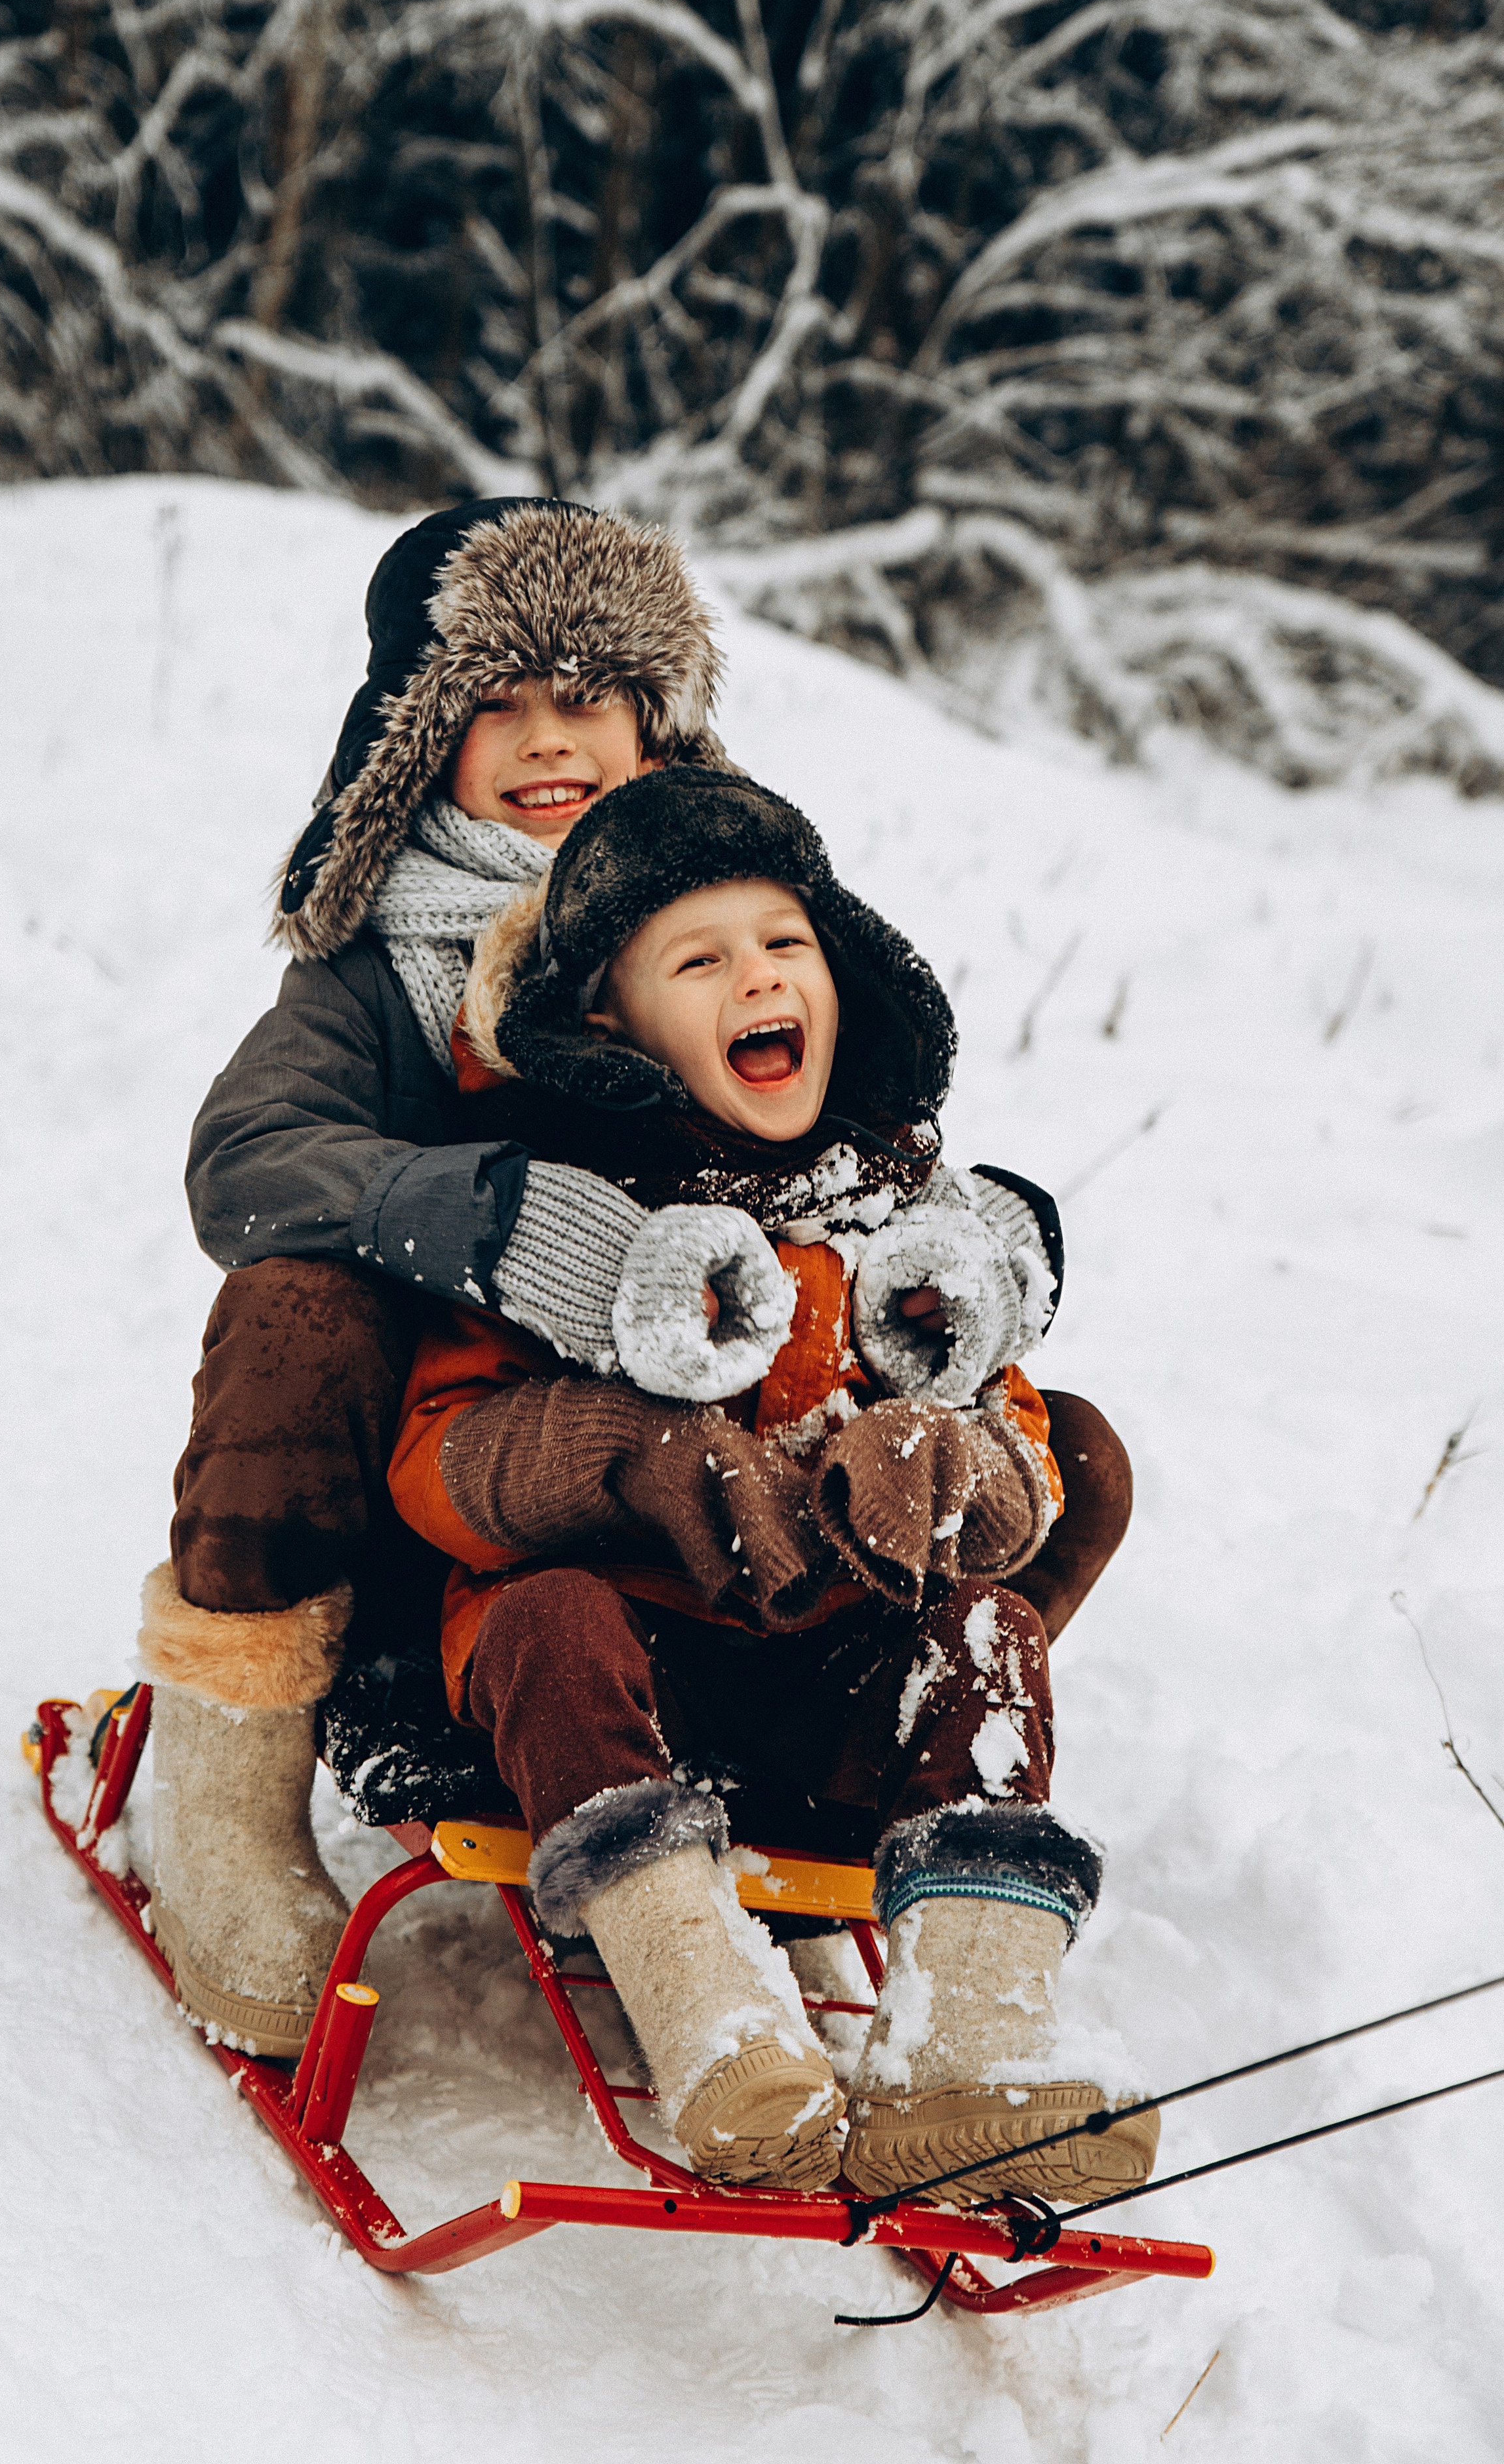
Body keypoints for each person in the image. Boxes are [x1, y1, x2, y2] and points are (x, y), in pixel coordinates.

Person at [132, 496, 1129, 2073]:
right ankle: (227, 1800)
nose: (550, 739)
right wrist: (500, 1220)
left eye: (588, 694)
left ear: (653, 716)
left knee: (1065, 1451)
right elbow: (249, 1156)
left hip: (742, 1481)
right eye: (496, 703)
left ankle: (848, 1736)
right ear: (416, 738)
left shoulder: (720, 900)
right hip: (465, 1471)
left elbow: (848, 1117)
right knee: (295, 1309)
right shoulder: (383, 966)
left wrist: (965, 1246)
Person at [386, 768, 1155, 2205]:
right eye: (699, 959)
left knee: (985, 1636)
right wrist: (625, 1449)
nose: (757, 976)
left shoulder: (909, 1221)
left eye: (786, 942)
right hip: (616, 1688)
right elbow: (439, 1458)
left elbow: (1029, 1451)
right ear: (611, 1024)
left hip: (822, 1688)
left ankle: (973, 2045)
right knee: (546, 1619)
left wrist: (950, 1456)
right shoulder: (562, 1218)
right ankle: (716, 2029)